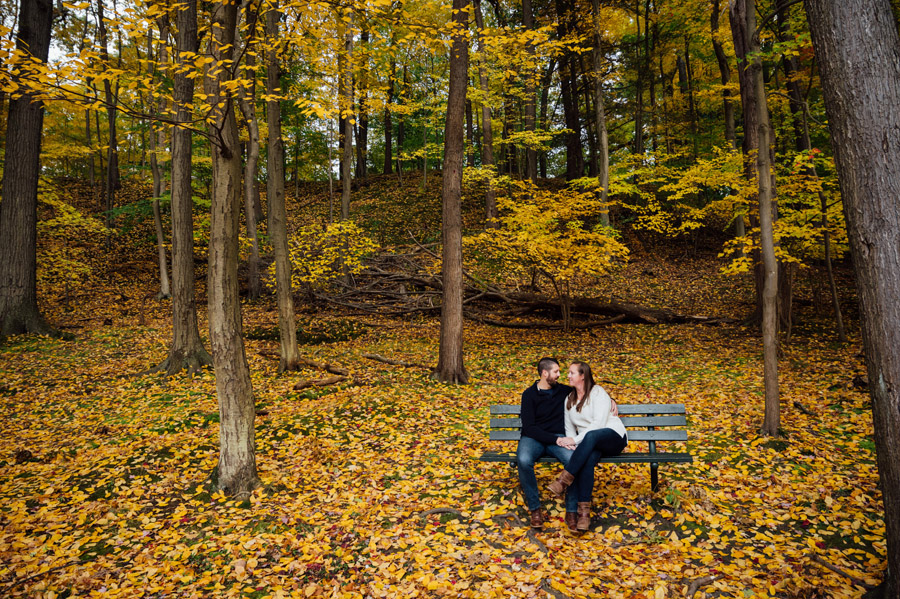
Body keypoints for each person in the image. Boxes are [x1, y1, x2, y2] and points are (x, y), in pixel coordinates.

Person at [517, 357, 615, 532]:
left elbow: (589, 390)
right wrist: (555, 439)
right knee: (523, 460)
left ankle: (571, 512)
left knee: (575, 460)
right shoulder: (529, 394)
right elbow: (529, 427)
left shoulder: (563, 391)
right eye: (556, 372)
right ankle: (535, 509)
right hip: (534, 439)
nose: (559, 375)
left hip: (559, 438)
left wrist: (612, 400)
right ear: (544, 373)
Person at [547, 361, 627, 532]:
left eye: (571, 373)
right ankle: (584, 514)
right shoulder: (569, 399)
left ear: (582, 376)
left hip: (612, 436)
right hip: (589, 442)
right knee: (587, 460)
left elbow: (598, 424)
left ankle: (563, 480)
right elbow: (570, 430)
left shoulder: (598, 393)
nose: (567, 376)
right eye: (568, 373)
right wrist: (573, 444)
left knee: (591, 435)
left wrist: (575, 441)